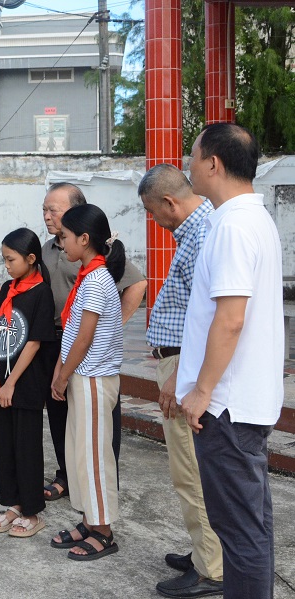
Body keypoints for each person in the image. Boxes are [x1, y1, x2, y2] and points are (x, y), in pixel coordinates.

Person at [0, 182, 146, 502]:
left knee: (98, 419)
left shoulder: (97, 253)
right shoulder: (46, 249)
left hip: (87, 347)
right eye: (44, 209)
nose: (46, 215)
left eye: (52, 210)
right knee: (58, 411)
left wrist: (111, 326)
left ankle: (101, 485)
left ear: (75, 213)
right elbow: (31, 281)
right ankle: (67, 476)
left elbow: (137, 284)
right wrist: (2, 290)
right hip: (50, 340)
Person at [178, 123, 283, 598]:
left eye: (193, 155)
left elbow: (230, 320)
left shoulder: (235, 225)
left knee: (239, 531)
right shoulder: (249, 218)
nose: (188, 164)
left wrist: (202, 391)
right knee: (251, 527)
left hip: (226, 407)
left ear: (214, 163)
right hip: (242, 402)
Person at [139, 164, 223, 598]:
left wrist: (180, 379)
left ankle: (212, 568)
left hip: (184, 367)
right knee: (191, 469)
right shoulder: (195, 231)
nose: (155, 221)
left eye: (154, 213)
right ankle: (204, 551)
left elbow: (205, 318)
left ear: (169, 203)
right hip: (179, 363)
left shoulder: (204, 233)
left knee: (191, 472)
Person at [49, 203, 124, 561]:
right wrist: (61, 372)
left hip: (93, 377)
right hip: (81, 375)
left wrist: (62, 376)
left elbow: (84, 338)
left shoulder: (96, 280)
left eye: (64, 237)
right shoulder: (87, 275)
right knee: (79, 452)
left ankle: (104, 530)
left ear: (84, 238)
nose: (61, 243)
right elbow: (73, 333)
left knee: (94, 456)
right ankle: (89, 521)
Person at [0, 228, 55, 539]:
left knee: (26, 446)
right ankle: (12, 504)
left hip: (24, 384)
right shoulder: (7, 289)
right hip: (0, 381)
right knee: (5, 444)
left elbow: (35, 343)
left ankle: (32, 511)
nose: (7, 265)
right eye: (4, 260)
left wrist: (12, 382)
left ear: (30, 258)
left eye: (11, 259)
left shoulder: (41, 293)